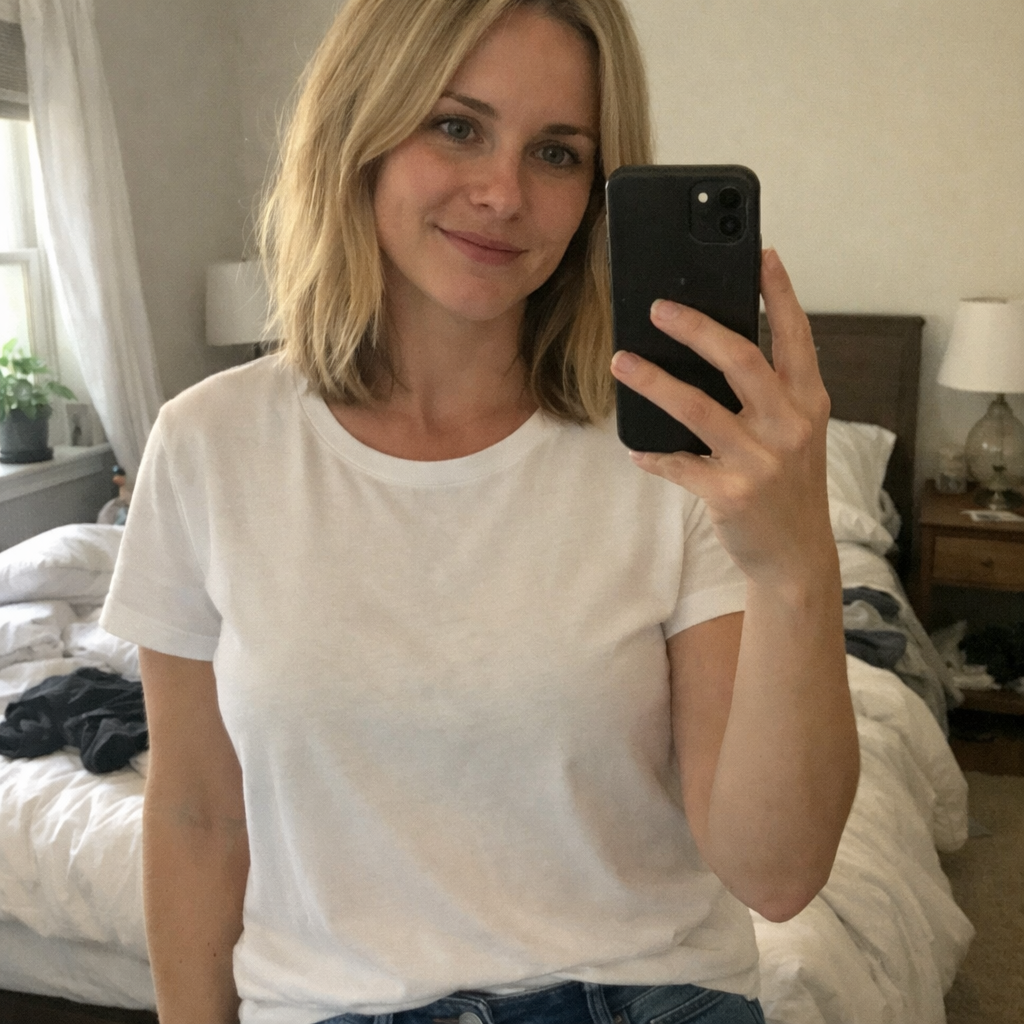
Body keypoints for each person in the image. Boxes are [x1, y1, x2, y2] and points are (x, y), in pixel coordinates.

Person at [100, 1, 860, 1023]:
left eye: (557, 152)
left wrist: (797, 565)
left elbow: (776, 874)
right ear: (360, 132)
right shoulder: (208, 443)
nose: (504, 193)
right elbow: (196, 814)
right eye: (456, 127)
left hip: (636, 997)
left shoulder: (679, 457)